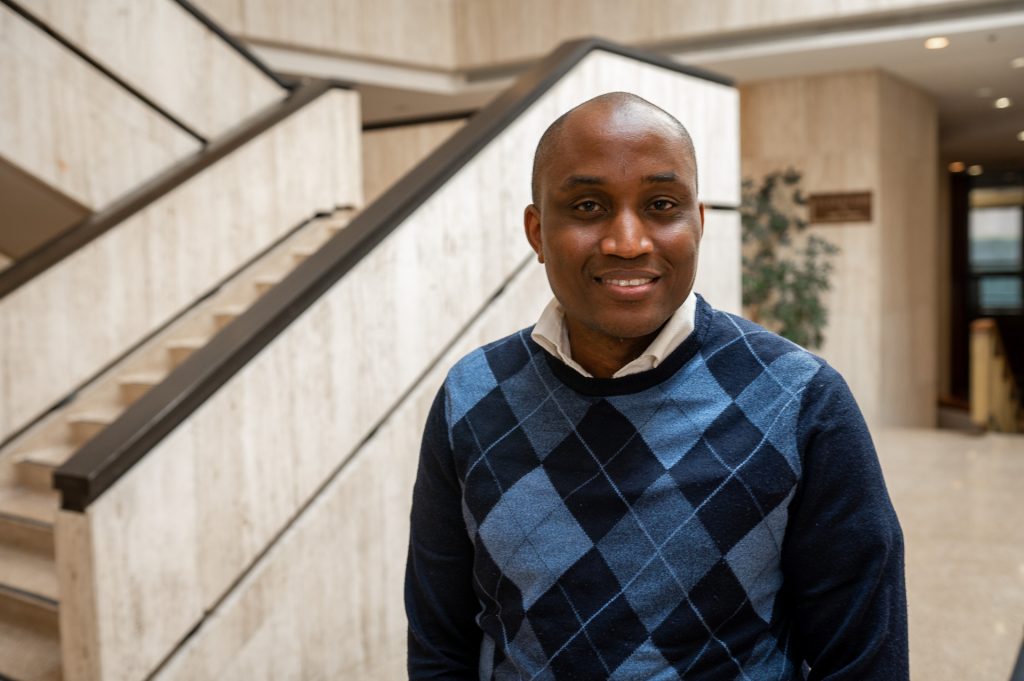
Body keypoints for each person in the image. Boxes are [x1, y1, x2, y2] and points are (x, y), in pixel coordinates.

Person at [405, 92, 908, 680]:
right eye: (589, 206)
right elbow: (440, 644)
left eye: (661, 204)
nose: (628, 241)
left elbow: (863, 661)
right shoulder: (473, 396)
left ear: (697, 223)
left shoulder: (801, 401)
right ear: (537, 232)